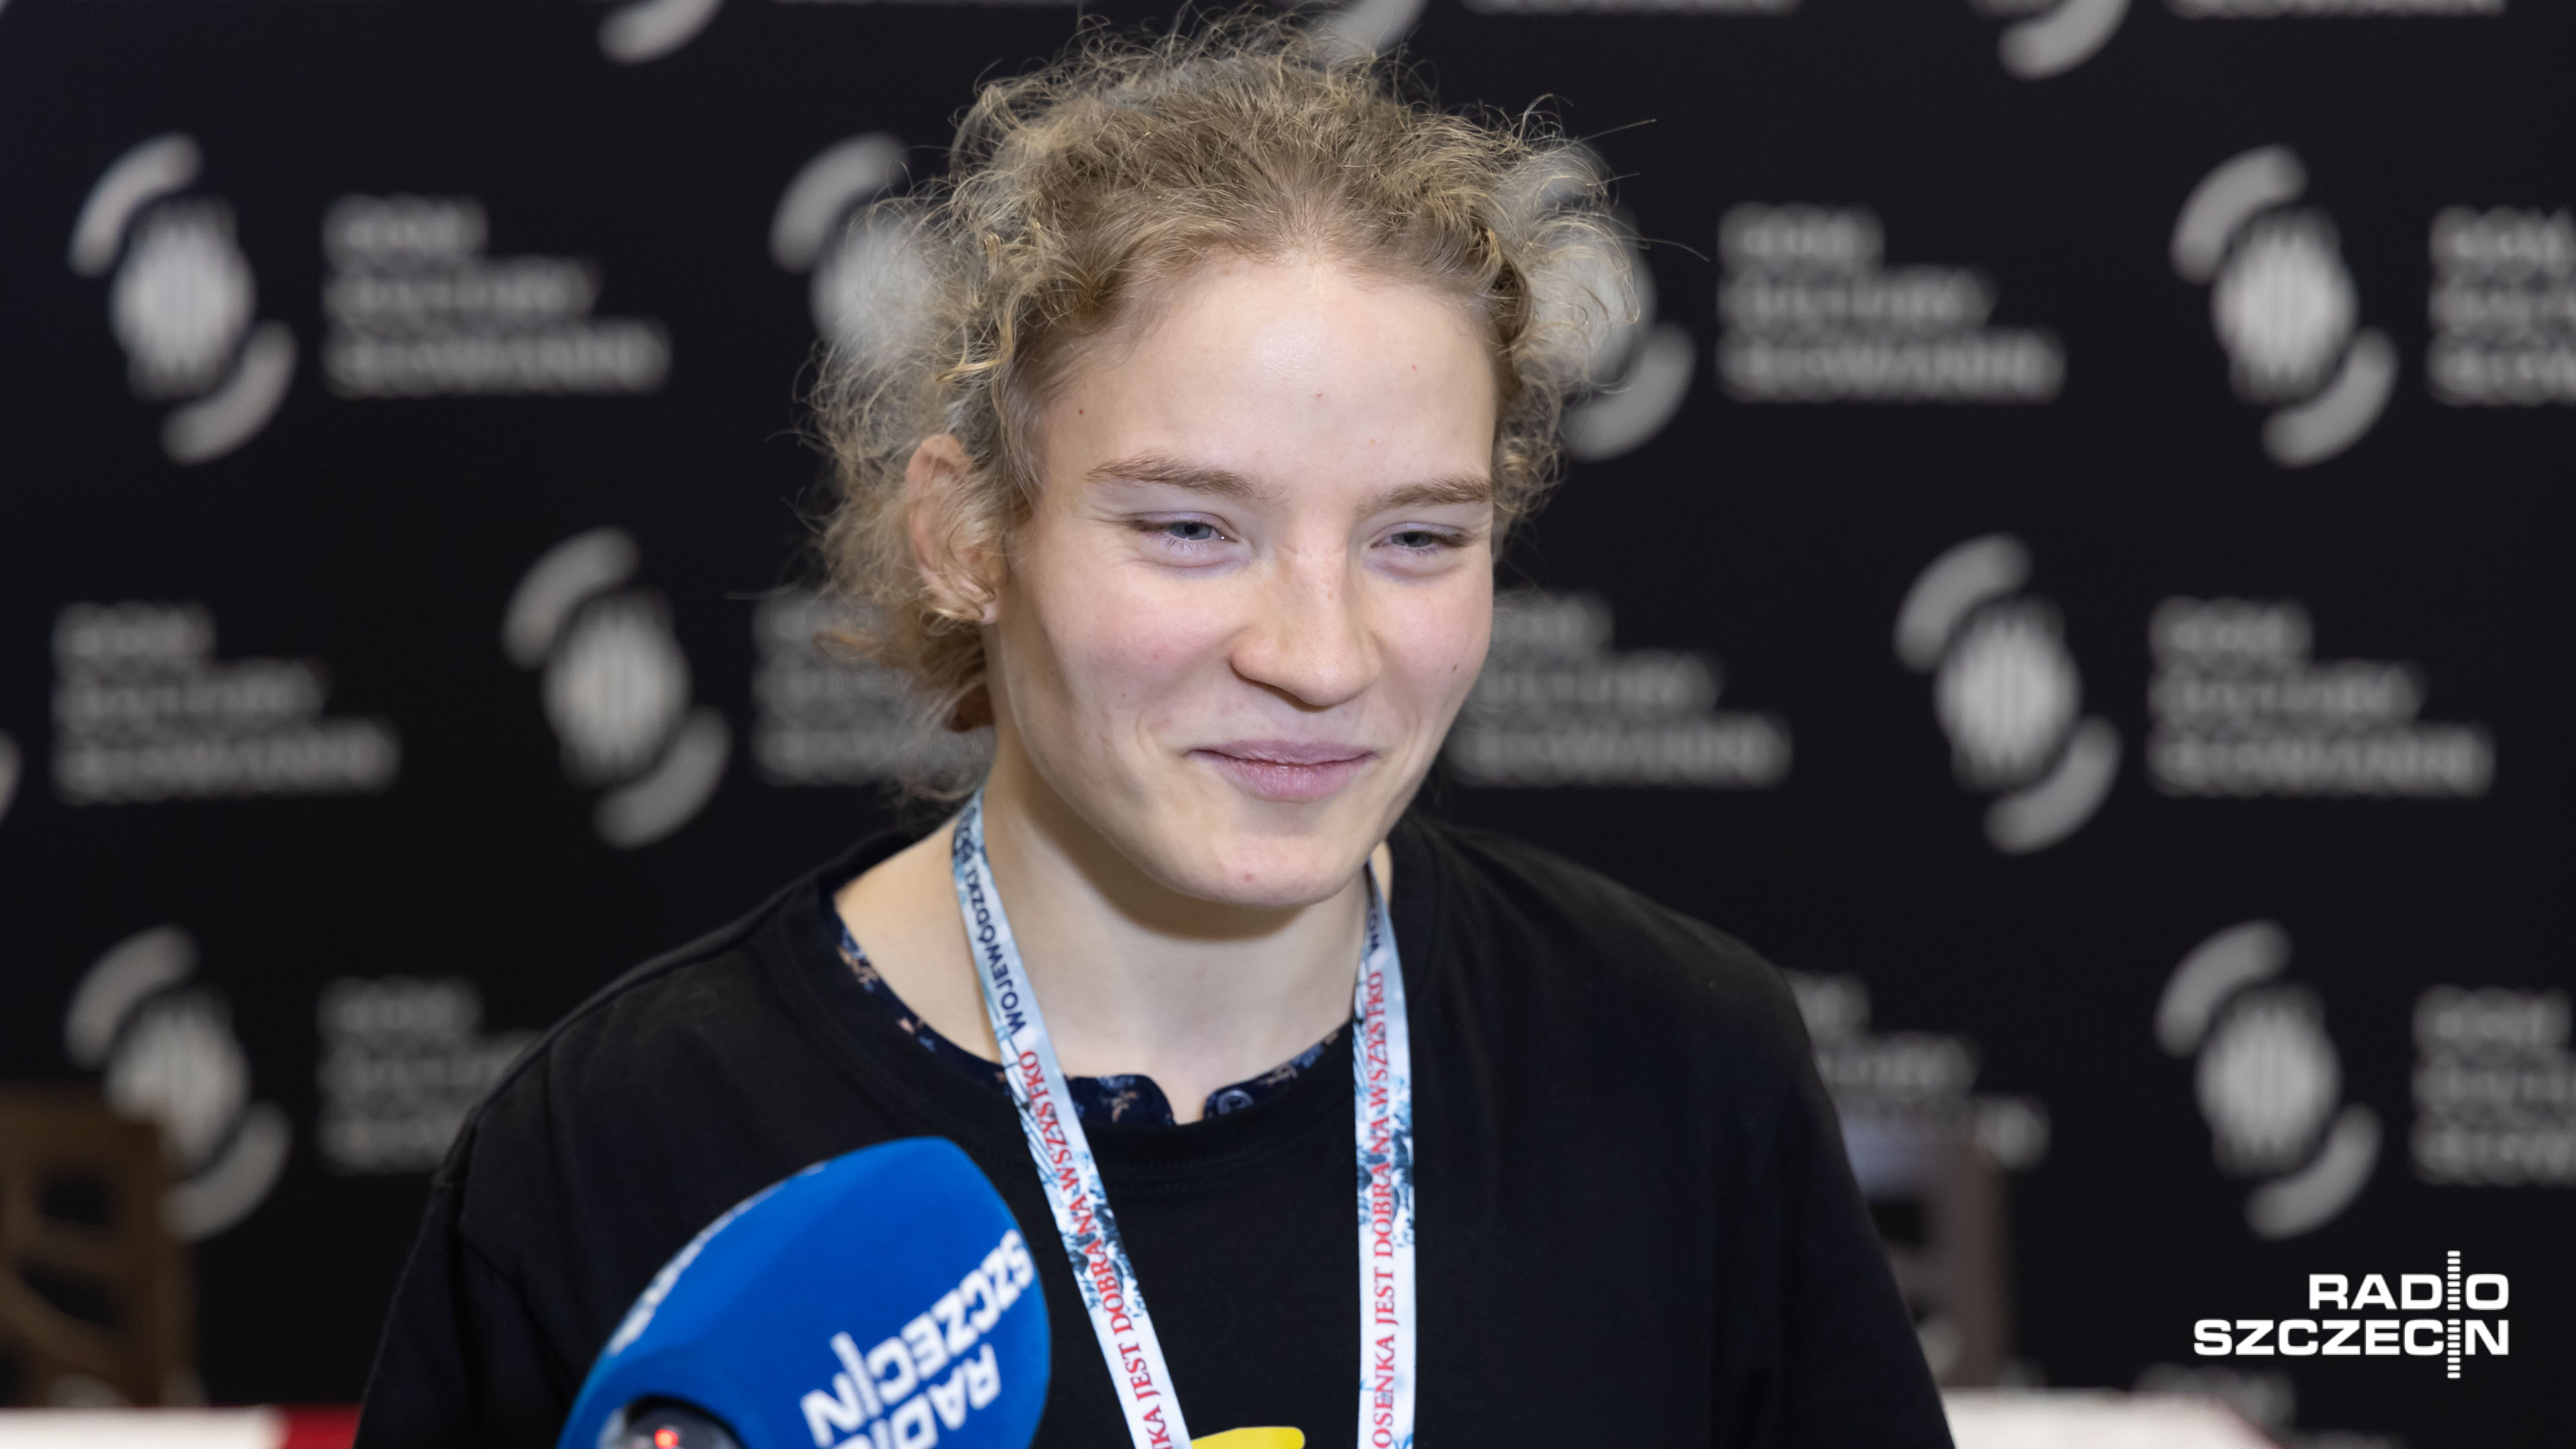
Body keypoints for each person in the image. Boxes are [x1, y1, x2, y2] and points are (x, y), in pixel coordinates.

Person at [356, 19, 1951, 1449]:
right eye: (1192, 529)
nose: (1319, 658)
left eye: (1416, 538)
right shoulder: (622, 1147)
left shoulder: (1682, 1062)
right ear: (968, 536)